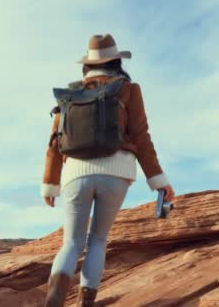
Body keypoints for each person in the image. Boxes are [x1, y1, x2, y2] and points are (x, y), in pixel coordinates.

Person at [41, 34, 175, 307]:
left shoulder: (71, 94)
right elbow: (141, 136)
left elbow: (54, 143)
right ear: (116, 62)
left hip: (75, 174)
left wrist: (50, 183)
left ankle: (53, 300)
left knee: (71, 242)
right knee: (98, 240)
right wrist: (158, 181)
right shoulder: (128, 89)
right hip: (116, 174)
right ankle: (85, 303)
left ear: (87, 65)